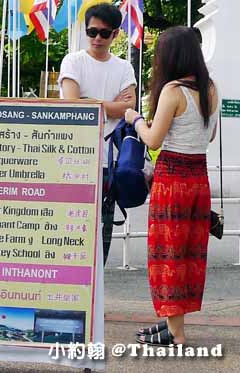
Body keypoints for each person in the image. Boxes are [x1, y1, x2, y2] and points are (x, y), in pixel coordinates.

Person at [125, 26, 218, 346]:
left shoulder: (172, 91)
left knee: (167, 255)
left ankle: (176, 332)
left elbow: (153, 139)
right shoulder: (211, 89)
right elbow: (210, 135)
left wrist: (134, 118)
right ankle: (171, 322)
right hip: (198, 181)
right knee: (188, 254)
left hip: (173, 181)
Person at [58, 3, 137, 266]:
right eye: (92, 32)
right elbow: (72, 106)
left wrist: (90, 102)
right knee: (67, 233)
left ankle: (96, 302)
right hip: (71, 160)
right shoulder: (73, 61)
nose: (97, 39)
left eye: (104, 33)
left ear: (116, 34)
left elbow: (129, 107)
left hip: (108, 162)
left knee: (102, 235)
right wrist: (110, 105)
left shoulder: (124, 67)